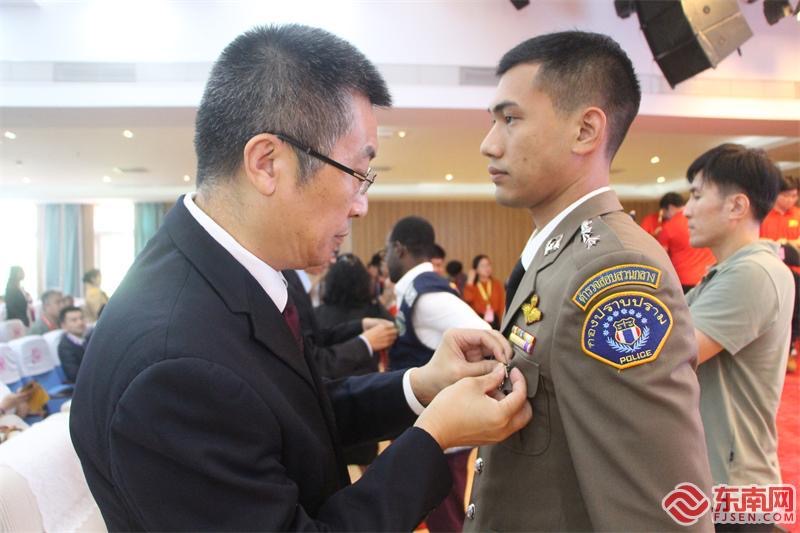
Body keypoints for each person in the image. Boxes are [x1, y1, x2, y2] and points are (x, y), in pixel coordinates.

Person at [69, 24, 531, 531]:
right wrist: (434, 435)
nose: (361, 206)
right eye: (357, 175)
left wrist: (422, 385)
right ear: (267, 163)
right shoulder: (171, 367)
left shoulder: (232, 274)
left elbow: (293, 413)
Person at [465, 31, 713, 532]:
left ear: (585, 131)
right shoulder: (560, 253)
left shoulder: (611, 272)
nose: (489, 143)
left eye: (510, 119)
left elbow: (655, 506)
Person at [683, 144, 794, 512]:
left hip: (733, 487)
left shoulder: (752, 272)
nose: (687, 210)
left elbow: (670, 355)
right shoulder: (725, 271)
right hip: (717, 478)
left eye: (697, 195)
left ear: (736, 206)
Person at [385, 215, 491, 533]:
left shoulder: (428, 297)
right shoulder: (415, 291)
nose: (385, 257)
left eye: (386, 250)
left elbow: (486, 337)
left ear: (399, 249)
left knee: (448, 521)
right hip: (428, 425)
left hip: (442, 434)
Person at [655, 192, 715, 293]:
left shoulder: (668, 227)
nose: (663, 216)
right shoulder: (703, 219)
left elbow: (661, 258)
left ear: (670, 207)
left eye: (663, 211)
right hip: (709, 277)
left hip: (683, 281)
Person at [462, 254, 505, 329]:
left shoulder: (496, 284)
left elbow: (502, 305)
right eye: (482, 266)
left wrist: (503, 323)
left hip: (495, 322)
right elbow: (467, 300)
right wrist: (470, 282)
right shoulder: (472, 286)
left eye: (488, 265)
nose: (487, 268)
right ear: (476, 270)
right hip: (478, 322)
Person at [760, 174, 799, 247]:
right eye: (785, 195)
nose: (790, 200)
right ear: (775, 194)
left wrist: (787, 243)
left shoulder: (798, 214)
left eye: (794, 196)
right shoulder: (761, 214)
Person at [57, 306, 89, 383]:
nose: (80, 322)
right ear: (64, 325)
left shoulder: (88, 338)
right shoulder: (65, 347)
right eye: (74, 320)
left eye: (81, 318)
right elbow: (74, 375)